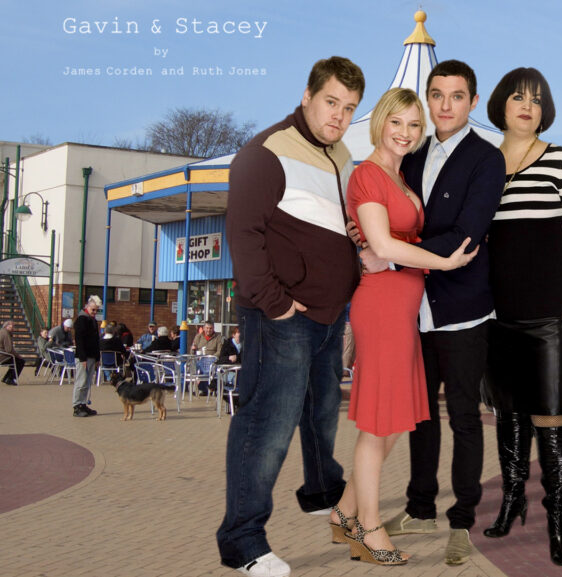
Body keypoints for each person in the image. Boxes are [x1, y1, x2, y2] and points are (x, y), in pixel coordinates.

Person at [217, 56, 365, 577]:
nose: (339, 117)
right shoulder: (265, 152)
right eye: (331, 103)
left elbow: (337, 222)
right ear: (307, 95)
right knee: (267, 424)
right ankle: (242, 540)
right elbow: (244, 235)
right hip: (282, 316)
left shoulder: (342, 154)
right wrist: (275, 303)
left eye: (349, 109)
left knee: (322, 412)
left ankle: (322, 491)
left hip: (329, 315)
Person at [329, 87, 478, 566]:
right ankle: (369, 530)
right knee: (377, 426)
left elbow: (387, 242)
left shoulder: (401, 174)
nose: (406, 133)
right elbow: (384, 246)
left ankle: (345, 512)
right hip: (382, 308)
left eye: (415, 125)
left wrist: (387, 247)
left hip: (403, 311)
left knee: (393, 423)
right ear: (381, 123)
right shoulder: (367, 174)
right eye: (398, 123)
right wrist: (443, 262)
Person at [375, 60, 505, 567]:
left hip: (464, 309)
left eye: (456, 96)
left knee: (464, 416)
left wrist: (393, 251)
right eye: (437, 95)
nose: (445, 105)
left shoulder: (485, 159)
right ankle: (420, 507)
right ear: (426, 101)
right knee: (419, 414)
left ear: (472, 102)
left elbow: (469, 235)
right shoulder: (413, 154)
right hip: (414, 306)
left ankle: (462, 520)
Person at [481, 67, 562, 566]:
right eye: (517, 97)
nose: (526, 105)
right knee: (507, 412)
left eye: (536, 98)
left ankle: (557, 522)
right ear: (501, 106)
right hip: (495, 315)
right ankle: (512, 500)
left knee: (552, 415)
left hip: (553, 315)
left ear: (544, 108)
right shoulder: (483, 166)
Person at [72, 296, 102, 417]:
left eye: (97, 310)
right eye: (93, 310)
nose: (95, 312)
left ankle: (83, 403)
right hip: (83, 357)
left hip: (92, 356)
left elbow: (96, 341)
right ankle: (77, 405)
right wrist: (82, 358)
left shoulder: (93, 321)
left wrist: (97, 358)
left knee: (87, 381)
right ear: (87, 307)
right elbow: (79, 340)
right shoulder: (81, 320)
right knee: (81, 382)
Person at [0, 320, 24, 385]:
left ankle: (6, 378)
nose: (14, 328)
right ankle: (10, 379)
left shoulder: (0, 332)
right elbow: (9, 350)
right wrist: (18, 356)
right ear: (7, 326)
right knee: (21, 361)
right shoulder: (6, 334)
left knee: (16, 360)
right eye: (12, 326)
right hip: (3, 357)